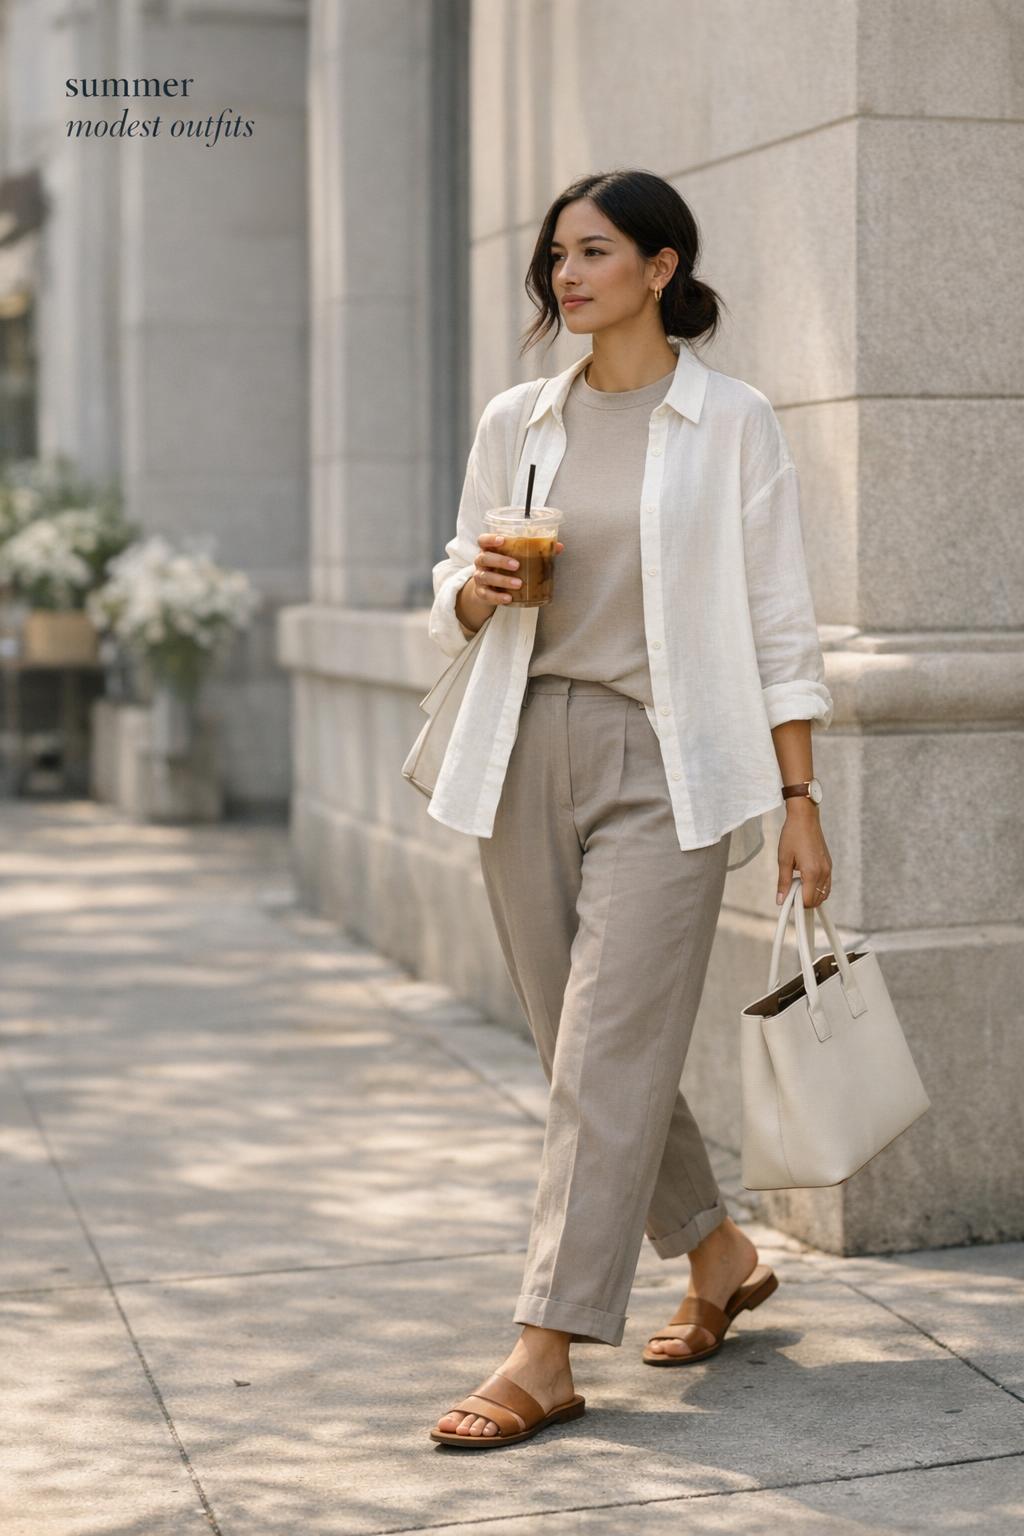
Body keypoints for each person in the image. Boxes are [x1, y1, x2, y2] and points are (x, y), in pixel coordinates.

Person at [426, 169, 834, 1448]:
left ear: (661, 268)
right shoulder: (520, 419)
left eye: (593, 252)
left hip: (673, 766)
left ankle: (544, 1347)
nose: (566, 274)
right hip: (520, 745)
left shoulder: (730, 422)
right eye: (556, 255)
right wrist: (478, 590)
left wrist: (801, 795)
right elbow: (452, 571)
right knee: (582, 1050)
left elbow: (777, 619)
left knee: (601, 1054)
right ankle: (715, 1254)